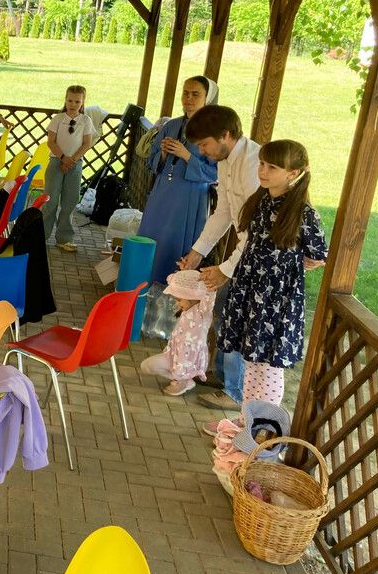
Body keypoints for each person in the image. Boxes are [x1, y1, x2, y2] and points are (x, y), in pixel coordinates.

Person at [215, 140, 327, 409]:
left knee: (268, 365)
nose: (263, 171)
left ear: (293, 173)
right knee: (251, 360)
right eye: (262, 164)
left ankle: (265, 424)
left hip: (276, 298)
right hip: (250, 288)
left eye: (272, 167)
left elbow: (319, 253)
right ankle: (248, 419)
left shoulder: (303, 212)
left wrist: (294, 263)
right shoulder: (262, 199)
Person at [179, 105, 260, 420]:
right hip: (243, 249)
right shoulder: (225, 160)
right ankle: (223, 376)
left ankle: (234, 391)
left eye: (204, 144)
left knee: (238, 319)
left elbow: (257, 231)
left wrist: (226, 270)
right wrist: (198, 251)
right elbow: (223, 210)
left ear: (226, 135)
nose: (202, 152)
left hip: (260, 255)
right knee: (224, 310)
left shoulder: (253, 165)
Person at [137, 76, 220, 283]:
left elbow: (215, 173)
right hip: (162, 192)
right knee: (151, 238)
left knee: (174, 244)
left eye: (195, 94)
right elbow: (151, 161)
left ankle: (171, 289)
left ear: (207, 99)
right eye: (185, 93)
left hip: (189, 197)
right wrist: (163, 154)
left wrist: (187, 156)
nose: (189, 98)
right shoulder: (171, 125)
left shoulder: (213, 133)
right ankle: (143, 284)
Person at [139, 270, 217, 396]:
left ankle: (184, 380)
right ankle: (181, 378)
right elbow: (190, 283)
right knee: (146, 366)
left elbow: (209, 299)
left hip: (188, 361)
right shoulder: (185, 310)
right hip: (173, 355)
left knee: (152, 366)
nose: (177, 303)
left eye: (179, 299)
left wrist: (211, 287)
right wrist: (184, 271)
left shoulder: (203, 313)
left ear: (192, 297)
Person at [42, 85, 98, 252]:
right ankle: (42, 236)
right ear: (65, 100)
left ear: (82, 102)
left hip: (75, 165)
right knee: (50, 200)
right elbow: (51, 141)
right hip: (56, 162)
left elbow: (87, 143)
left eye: (77, 101)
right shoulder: (58, 119)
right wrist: (63, 158)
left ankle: (64, 238)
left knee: (70, 202)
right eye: (70, 100)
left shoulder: (86, 121)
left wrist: (72, 160)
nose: (73, 104)